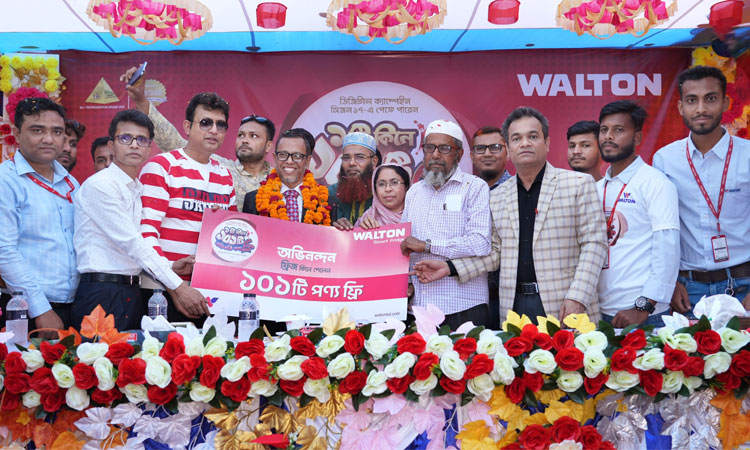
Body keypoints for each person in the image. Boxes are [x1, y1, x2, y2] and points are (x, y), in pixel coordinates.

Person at [413, 107, 607, 325]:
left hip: (566, 305)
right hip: (515, 308)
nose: (524, 143)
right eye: (516, 138)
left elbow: (594, 244)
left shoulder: (578, 185)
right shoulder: (498, 196)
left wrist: (578, 297)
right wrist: (449, 268)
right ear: (509, 148)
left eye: (532, 136)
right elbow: (495, 253)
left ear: (547, 143)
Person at [73, 110, 207, 331]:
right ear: (112, 146)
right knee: (98, 354)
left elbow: (134, 250)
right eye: (125, 138)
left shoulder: (137, 188)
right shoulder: (101, 185)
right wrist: (179, 287)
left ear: (149, 149)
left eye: (142, 140)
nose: (134, 145)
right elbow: (134, 244)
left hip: (131, 293)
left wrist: (171, 266)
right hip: (102, 293)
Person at [653, 66, 750, 315]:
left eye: (710, 99)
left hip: (744, 286)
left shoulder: (747, 155)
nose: (701, 109)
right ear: (680, 107)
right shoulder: (665, 159)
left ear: (725, 102)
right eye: (691, 100)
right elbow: (660, 230)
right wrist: (670, 282)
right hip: (688, 291)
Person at [139, 92, 237, 324]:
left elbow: (229, 244)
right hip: (161, 290)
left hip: (209, 295)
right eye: (205, 123)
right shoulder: (161, 166)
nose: (213, 130)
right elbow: (145, 234)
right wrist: (175, 284)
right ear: (187, 127)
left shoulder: (225, 176)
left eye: (220, 125)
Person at [121, 66, 273, 209]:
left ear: (268, 146)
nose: (245, 140)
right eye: (241, 135)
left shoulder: (278, 177)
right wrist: (141, 100)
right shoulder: (224, 170)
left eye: (254, 136)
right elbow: (172, 140)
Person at [400, 120, 492, 329]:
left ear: (459, 154)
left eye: (444, 148)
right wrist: (407, 282)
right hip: (419, 307)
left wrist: (428, 246)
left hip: (463, 306)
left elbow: (480, 243)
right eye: (429, 148)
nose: (435, 155)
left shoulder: (474, 187)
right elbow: (405, 245)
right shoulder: (414, 192)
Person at [0, 97, 79, 338]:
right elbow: (4, 250)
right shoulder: (6, 180)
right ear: (17, 134)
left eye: (57, 132)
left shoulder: (71, 184)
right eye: (37, 130)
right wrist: (40, 309)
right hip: (25, 309)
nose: (48, 139)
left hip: (73, 305)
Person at [596, 101, 680, 328]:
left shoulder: (655, 183)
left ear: (637, 137)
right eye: (604, 130)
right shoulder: (597, 188)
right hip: (600, 312)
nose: (608, 136)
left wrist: (643, 306)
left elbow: (668, 249)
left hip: (643, 315)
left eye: (618, 130)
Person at [470, 126, 512, 329]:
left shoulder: (518, 190)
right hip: (470, 291)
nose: (487, 153)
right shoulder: (466, 192)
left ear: (507, 151)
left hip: (508, 293)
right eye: (480, 149)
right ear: (471, 155)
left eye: (494, 147)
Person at [243, 128, 331, 226]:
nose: (289, 161)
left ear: (307, 161)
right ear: (275, 158)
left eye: (297, 156)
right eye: (283, 155)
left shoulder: (326, 201)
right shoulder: (253, 200)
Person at [330, 132, 380, 230]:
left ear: (374, 162)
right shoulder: (331, 193)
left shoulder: (384, 193)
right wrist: (334, 226)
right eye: (346, 158)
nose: (352, 163)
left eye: (360, 157)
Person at [355, 164, 411, 229]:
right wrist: (364, 230)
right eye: (381, 184)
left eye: (394, 183)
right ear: (375, 189)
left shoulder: (416, 215)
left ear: (406, 186)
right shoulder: (367, 220)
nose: (388, 189)